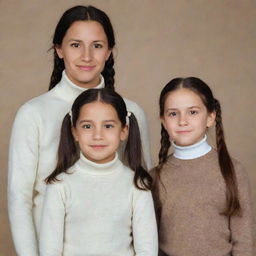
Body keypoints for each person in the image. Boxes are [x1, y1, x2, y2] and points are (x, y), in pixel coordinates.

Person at [8, 5, 152, 256]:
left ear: (109, 52)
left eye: (97, 45)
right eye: (75, 45)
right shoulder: (33, 113)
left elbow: (143, 188)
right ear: (59, 49)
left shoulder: (131, 113)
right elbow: (18, 198)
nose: (87, 56)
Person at [39, 88, 158, 255]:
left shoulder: (137, 184)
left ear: (124, 130)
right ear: (75, 132)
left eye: (108, 126)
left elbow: (147, 249)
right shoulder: (60, 185)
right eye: (87, 126)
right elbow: (49, 250)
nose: (97, 135)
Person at [152, 77, 253, 256]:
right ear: (163, 121)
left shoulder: (233, 171)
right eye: (173, 114)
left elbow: (244, 242)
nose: (183, 121)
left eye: (192, 112)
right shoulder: (155, 177)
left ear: (210, 117)